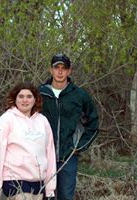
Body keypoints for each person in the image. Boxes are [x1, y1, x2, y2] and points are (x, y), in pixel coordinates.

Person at [39, 53, 99, 200]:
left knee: (66, 196)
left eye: (64, 68)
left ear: (69, 71)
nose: (60, 71)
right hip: (43, 156)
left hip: (68, 156)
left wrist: (79, 146)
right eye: (56, 67)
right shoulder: (39, 93)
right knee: (44, 196)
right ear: (50, 70)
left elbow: (93, 122)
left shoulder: (79, 95)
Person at [0, 82, 56, 200]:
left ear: (35, 99)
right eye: (21, 96)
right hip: (14, 180)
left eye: (29, 96)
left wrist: (50, 187)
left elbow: (50, 154)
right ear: (15, 99)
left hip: (38, 181)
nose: (25, 100)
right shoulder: (6, 120)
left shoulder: (42, 121)